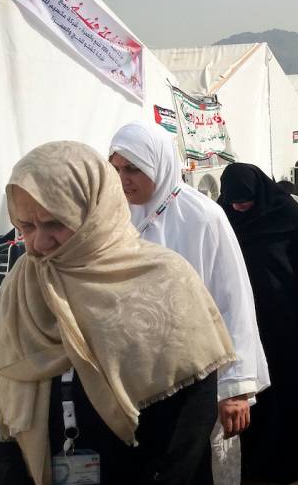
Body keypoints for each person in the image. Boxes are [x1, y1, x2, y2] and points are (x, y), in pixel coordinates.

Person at [0, 141, 235, 485]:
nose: (39, 243)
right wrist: (9, 469)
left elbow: (192, 409)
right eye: (26, 226)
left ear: (94, 212)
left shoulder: (163, 280)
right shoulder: (20, 287)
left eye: (55, 223)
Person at [109, 122, 269, 485]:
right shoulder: (114, 217)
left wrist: (234, 388)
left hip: (197, 379)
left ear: (158, 164)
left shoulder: (202, 217)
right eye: (115, 168)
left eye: (132, 168)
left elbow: (233, 302)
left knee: (198, 465)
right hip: (137, 380)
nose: (122, 179)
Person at [217, 163, 298, 483]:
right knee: (250, 385)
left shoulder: (285, 211)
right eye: (234, 201)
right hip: (240, 319)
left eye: (245, 200)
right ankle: (256, 458)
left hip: (281, 315)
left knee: (283, 380)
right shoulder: (220, 215)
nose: (239, 207)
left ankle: (293, 453)